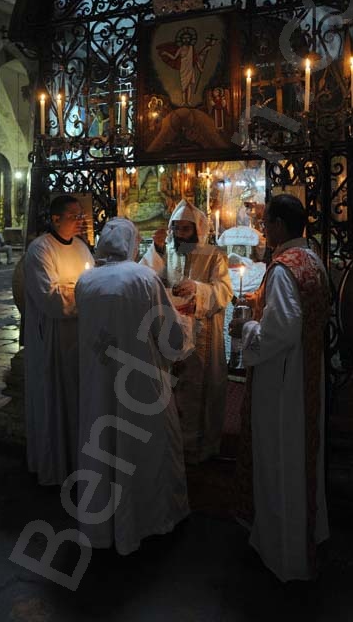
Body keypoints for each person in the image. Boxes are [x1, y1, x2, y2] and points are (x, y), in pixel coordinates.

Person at [75, 217, 193, 552]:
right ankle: (149, 520)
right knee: (145, 450)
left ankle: (104, 528)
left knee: (103, 449)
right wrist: (185, 336)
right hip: (140, 384)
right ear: (131, 243)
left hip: (98, 383)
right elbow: (168, 334)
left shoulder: (86, 282)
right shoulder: (143, 277)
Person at [231, 194, 330, 583]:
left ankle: (283, 550)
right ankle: (308, 534)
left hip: (283, 382)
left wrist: (247, 327)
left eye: (266, 222)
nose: (263, 229)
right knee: (303, 457)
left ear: (278, 226)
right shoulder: (313, 259)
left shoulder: (284, 268)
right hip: (306, 373)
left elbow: (282, 329)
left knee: (280, 458)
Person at [140, 199, 233, 463]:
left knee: (200, 388)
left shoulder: (214, 255)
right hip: (172, 332)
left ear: (197, 230)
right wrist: (156, 249)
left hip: (204, 332)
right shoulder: (166, 249)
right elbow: (147, 277)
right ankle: (173, 444)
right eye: (176, 228)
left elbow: (225, 291)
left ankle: (200, 448)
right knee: (174, 389)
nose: (179, 235)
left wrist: (198, 290)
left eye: (185, 229)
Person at [24, 194, 94, 485]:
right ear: (55, 219)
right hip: (52, 339)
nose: (81, 221)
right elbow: (52, 300)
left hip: (79, 339)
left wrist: (76, 289)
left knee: (76, 402)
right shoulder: (40, 250)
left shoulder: (81, 248)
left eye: (81, 216)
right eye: (74, 216)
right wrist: (84, 293)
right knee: (54, 402)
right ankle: (55, 468)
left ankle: (77, 463)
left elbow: (90, 283)